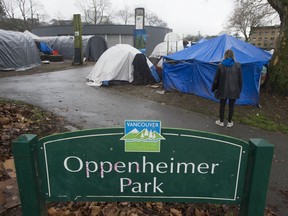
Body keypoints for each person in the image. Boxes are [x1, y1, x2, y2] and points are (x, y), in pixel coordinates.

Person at [211, 49, 242, 128]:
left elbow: (216, 79)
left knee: (222, 105)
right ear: (233, 56)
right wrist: (239, 89)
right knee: (231, 106)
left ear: (225, 55)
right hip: (234, 90)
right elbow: (240, 79)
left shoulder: (220, 65)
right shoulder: (238, 65)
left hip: (222, 89)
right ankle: (229, 122)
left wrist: (213, 89)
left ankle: (221, 122)